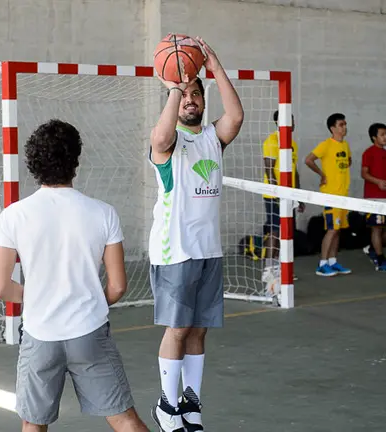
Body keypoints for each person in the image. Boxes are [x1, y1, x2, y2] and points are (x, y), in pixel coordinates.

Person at [0, 119, 150, 432]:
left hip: (40, 335)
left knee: (33, 424)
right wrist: (87, 301)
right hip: (89, 331)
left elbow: (0, 287)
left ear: (32, 162)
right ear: (75, 162)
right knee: (123, 418)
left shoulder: (13, 216)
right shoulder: (104, 213)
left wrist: (37, 297)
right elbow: (117, 286)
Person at [147, 37, 243, 432]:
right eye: (185, 96)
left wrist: (215, 67)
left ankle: (191, 403)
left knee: (200, 330)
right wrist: (175, 85)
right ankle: (166, 405)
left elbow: (235, 117)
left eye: (196, 94)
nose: (191, 100)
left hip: (208, 252)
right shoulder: (170, 145)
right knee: (179, 329)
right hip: (175, 253)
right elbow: (160, 138)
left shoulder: (211, 139)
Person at [305, 113, 353, 277]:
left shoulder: (345, 145)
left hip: (343, 195)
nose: (344, 127)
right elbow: (309, 160)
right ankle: (322, 263)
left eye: (345, 124)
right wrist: (322, 174)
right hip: (331, 195)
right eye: (341, 125)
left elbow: (348, 161)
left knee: (338, 230)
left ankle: (333, 261)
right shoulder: (326, 145)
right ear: (333, 128)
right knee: (332, 229)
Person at [262, 109, 305, 282]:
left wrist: (298, 195)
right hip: (274, 195)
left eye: (292, 120)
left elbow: (294, 172)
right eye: (288, 120)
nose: (292, 123)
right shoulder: (272, 141)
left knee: (287, 232)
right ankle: (269, 269)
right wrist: (277, 192)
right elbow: (268, 169)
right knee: (274, 230)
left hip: (290, 194)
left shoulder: (292, 143)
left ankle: (283, 268)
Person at [360, 122, 386, 272]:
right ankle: (380, 259)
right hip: (374, 197)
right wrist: (378, 182)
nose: (385, 137)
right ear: (374, 137)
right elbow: (364, 173)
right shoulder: (368, 153)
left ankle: (373, 248)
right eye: (382, 134)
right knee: (377, 227)